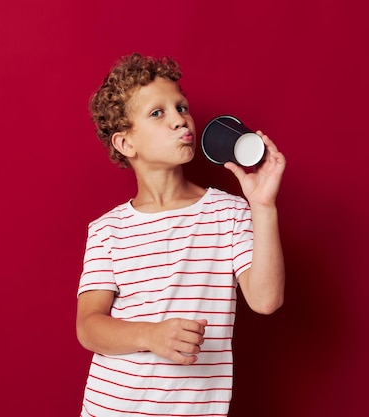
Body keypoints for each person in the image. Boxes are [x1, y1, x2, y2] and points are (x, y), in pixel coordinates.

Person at [76, 52, 286, 416]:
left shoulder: (229, 213)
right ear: (126, 143)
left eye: (181, 106)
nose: (180, 120)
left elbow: (266, 300)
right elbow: (89, 327)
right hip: (110, 409)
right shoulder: (108, 230)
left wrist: (263, 207)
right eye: (158, 113)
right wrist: (149, 336)